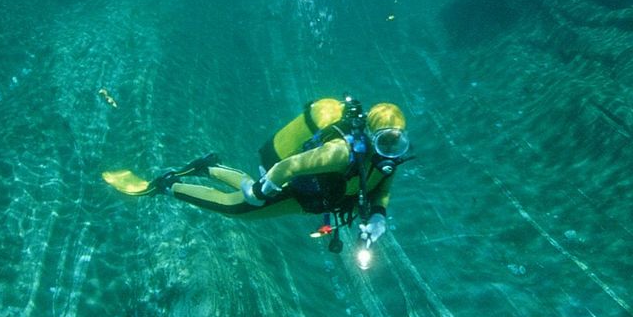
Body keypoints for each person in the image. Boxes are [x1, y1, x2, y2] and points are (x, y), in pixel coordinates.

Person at [103, 98, 410, 250]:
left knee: (247, 196)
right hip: (299, 187)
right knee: (237, 209)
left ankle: (207, 167)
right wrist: (264, 190)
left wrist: (379, 215)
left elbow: (381, 188)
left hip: (316, 198)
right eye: (386, 140)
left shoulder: (387, 161)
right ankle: (168, 184)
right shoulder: (341, 153)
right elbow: (290, 167)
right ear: (370, 134)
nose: (391, 150)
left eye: (397, 142)